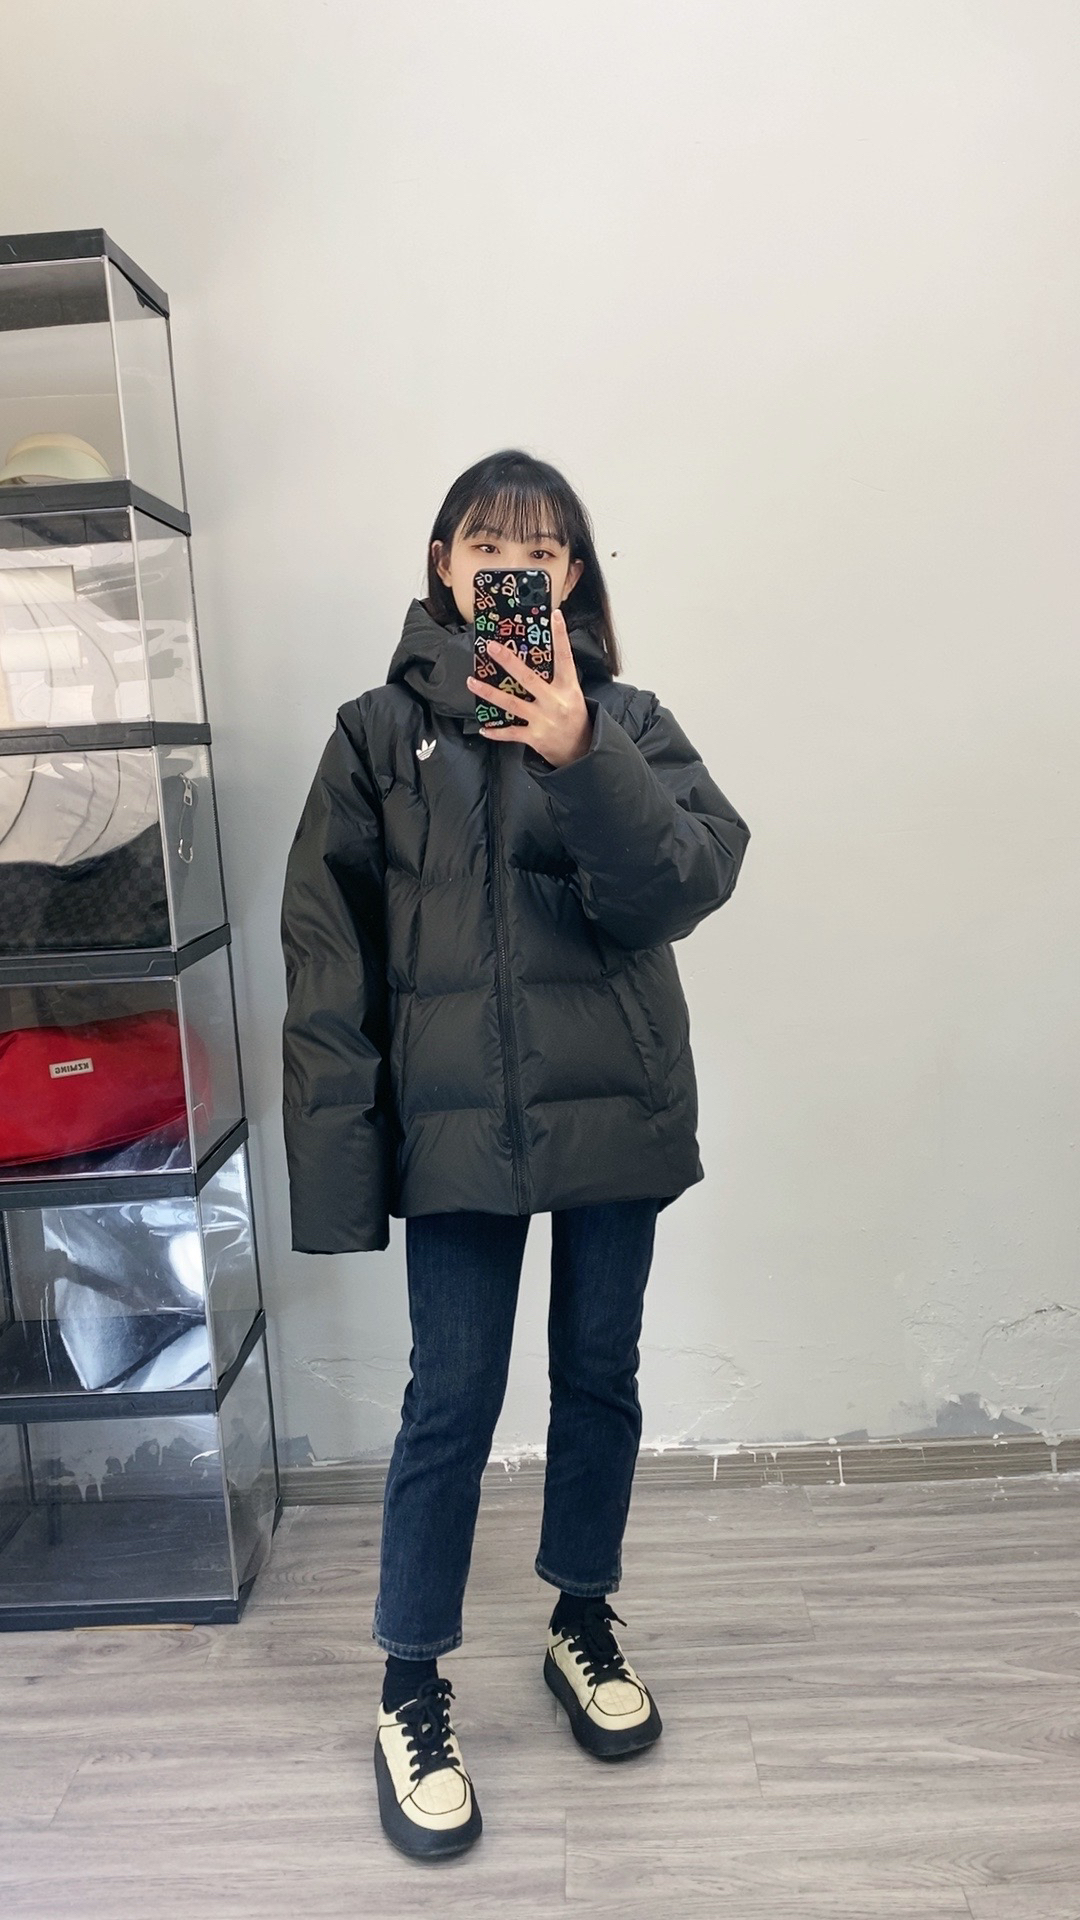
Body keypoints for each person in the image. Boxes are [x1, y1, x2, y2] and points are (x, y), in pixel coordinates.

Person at [279, 448, 751, 1860]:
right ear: (444, 566)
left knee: (600, 1373)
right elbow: (326, 960)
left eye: (543, 551)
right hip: (455, 1126)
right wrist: (343, 1166)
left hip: (614, 1104)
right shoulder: (376, 738)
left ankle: (580, 1618)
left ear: (573, 575)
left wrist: (581, 752)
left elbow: (689, 881)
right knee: (452, 1398)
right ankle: (409, 1684)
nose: (516, 568)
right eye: (490, 545)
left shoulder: (628, 721)